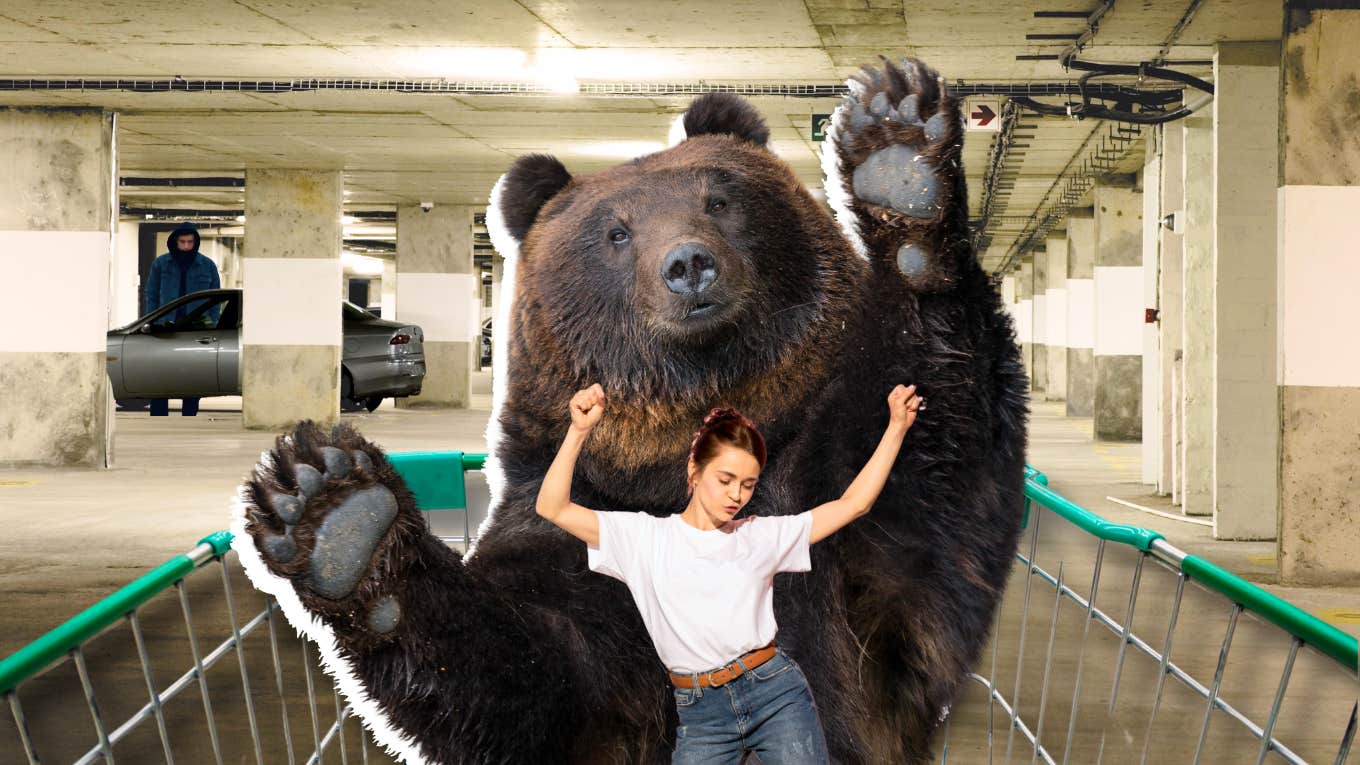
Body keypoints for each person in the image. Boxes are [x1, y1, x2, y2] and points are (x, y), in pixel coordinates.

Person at [536, 382, 922, 764]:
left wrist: (896, 428)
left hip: (774, 695)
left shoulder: (760, 536)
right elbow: (552, 507)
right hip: (701, 714)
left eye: (748, 485)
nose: (737, 495)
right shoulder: (643, 539)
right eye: (725, 480)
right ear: (694, 470)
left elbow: (853, 504)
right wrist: (579, 431)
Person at [144, 221, 221, 417]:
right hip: (164, 326)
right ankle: (159, 415)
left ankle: (190, 414)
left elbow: (215, 298)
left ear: (196, 242)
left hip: (195, 327)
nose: (186, 246)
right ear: (174, 242)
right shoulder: (161, 264)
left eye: (190, 242)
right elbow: (151, 294)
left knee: (191, 373)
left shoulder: (207, 265)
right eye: (182, 242)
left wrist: (211, 324)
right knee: (160, 372)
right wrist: (150, 322)